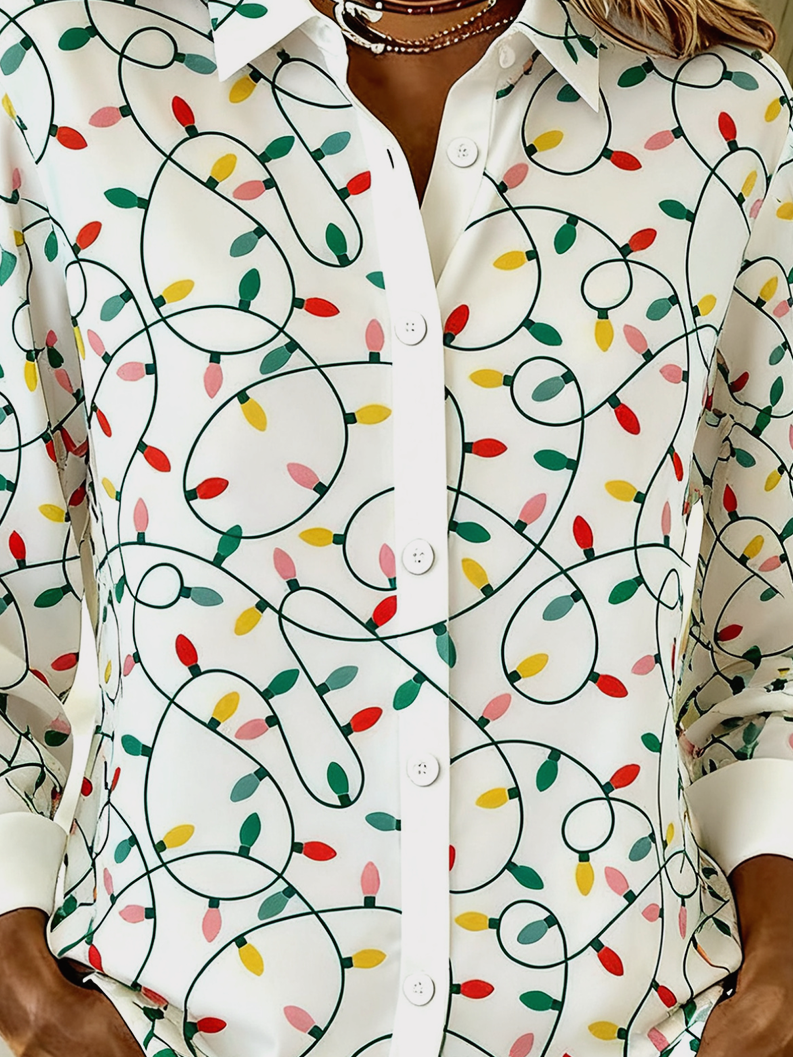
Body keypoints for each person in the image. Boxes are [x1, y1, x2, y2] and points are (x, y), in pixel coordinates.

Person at [0, 0, 790, 1052]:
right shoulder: (66, 71)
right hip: (171, 1024)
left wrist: (780, 973)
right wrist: (23, 992)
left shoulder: (721, 117)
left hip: (629, 1023)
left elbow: (770, 631)